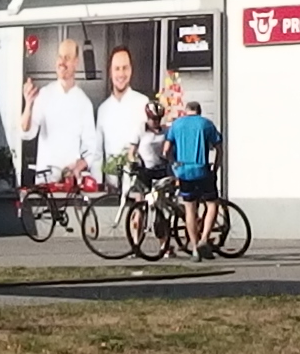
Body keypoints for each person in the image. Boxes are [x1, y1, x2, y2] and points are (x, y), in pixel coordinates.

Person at [25, 38, 100, 189]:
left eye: (67, 57)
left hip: (69, 183)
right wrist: (28, 104)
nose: (62, 62)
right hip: (45, 180)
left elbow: (91, 148)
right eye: (60, 57)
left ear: (76, 62)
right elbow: (27, 133)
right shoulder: (44, 94)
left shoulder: (84, 103)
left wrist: (79, 166)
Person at [160, 78, 223, 255]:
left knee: (190, 208)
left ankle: (194, 248)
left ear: (186, 111)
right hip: (202, 170)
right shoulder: (206, 124)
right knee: (212, 204)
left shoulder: (176, 125)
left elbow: (166, 150)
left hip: (184, 172)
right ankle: (204, 240)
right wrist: (215, 168)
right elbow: (219, 148)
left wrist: (175, 165)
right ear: (199, 111)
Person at [93, 46, 153, 165]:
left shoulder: (144, 103)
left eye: (125, 68)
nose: (121, 74)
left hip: (138, 175)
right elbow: (97, 155)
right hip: (111, 176)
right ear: (110, 72)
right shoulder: (103, 110)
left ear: (131, 70)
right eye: (117, 69)